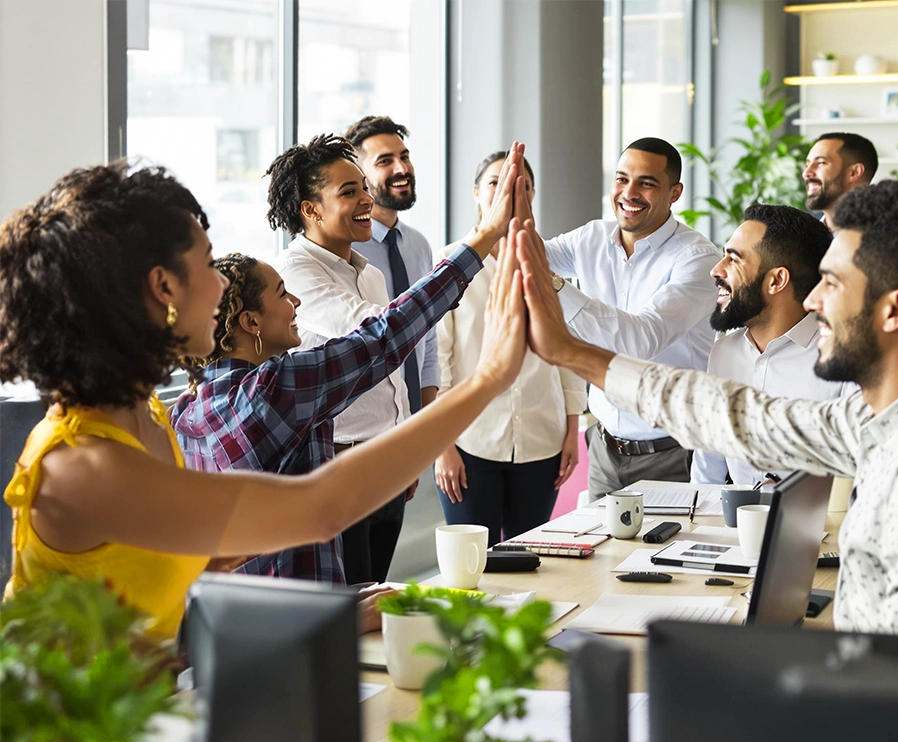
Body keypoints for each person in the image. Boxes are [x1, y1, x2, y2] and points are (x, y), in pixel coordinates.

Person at [0, 154, 529, 643]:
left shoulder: (155, 416)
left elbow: (180, 588)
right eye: (208, 265)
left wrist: (324, 610)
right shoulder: (86, 463)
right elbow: (322, 509)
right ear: (163, 288)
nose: (218, 287)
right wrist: (488, 378)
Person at [519, 178, 898, 637]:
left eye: (832, 283)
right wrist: (571, 351)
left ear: (895, 310)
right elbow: (742, 417)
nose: (811, 299)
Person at [170, 235, 493, 602]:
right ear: (250, 322)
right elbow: (386, 336)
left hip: (236, 621)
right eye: (281, 294)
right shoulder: (275, 389)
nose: (296, 302)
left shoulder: (184, 412)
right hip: (304, 625)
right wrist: (481, 243)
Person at [263, 135, 424, 584]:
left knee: (374, 595)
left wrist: (405, 449)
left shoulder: (369, 274)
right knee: (348, 606)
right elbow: (374, 332)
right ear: (310, 210)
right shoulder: (294, 270)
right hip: (338, 464)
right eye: (348, 192)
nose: (366, 200)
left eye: (363, 188)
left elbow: (390, 370)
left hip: (385, 462)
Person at [542, 137, 719, 500]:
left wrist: (556, 285)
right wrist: (504, 212)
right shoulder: (592, 238)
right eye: (622, 179)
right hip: (606, 450)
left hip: (672, 456)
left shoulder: (697, 259)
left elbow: (639, 340)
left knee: (661, 557)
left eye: (647, 183)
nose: (629, 193)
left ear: (674, 192)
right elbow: (525, 252)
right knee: (597, 555)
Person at [433, 150, 586, 547]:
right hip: (469, 441)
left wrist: (573, 431)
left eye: (521, 184)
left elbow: (569, 351)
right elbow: (437, 363)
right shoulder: (449, 264)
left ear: (531, 194)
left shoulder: (551, 264)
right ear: (476, 193)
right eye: (495, 182)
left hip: (543, 439)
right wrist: (442, 446)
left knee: (529, 560)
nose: (508, 191)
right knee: (473, 566)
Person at [691, 203, 855, 486]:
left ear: (777, 280)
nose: (716, 270)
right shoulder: (723, 352)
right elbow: (708, 470)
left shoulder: (844, 358)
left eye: (734, 259)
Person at [345, 115, 438, 417]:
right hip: (365, 427)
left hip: (415, 421)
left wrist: (428, 416)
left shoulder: (419, 245)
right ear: (359, 176)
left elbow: (429, 335)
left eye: (405, 157)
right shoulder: (345, 250)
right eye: (385, 161)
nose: (402, 169)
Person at [803, 132, 878, 228]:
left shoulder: (887, 236)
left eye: (821, 163)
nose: (806, 173)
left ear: (854, 172)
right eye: (807, 164)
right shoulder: (805, 232)